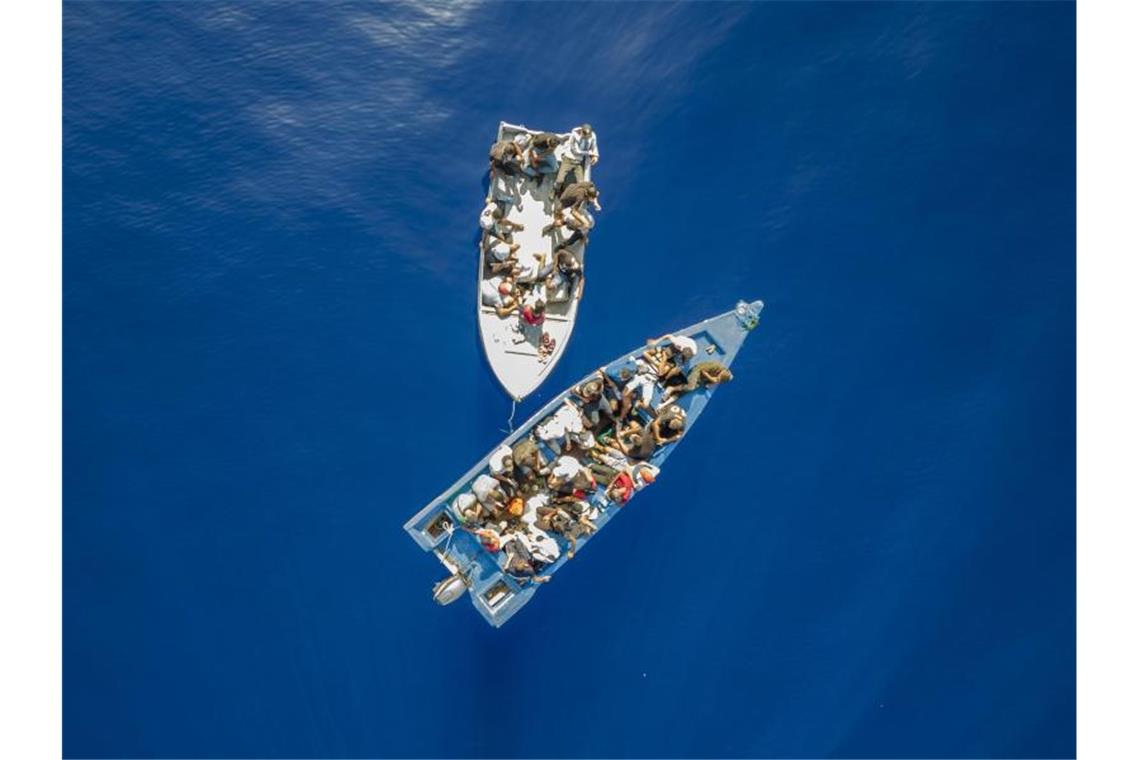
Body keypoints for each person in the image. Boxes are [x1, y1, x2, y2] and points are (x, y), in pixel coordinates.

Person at [661, 360, 733, 404]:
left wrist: (712, 383)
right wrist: (711, 378)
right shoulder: (716, 365)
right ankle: (671, 388)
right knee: (690, 387)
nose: (719, 378)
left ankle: (665, 403)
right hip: (697, 371)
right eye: (721, 377)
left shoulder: (718, 379)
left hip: (700, 380)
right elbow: (702, 370)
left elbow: (706, 385)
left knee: (684, 393)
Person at [554, 123, 599, 191]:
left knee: (581, 184)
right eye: (585, 135)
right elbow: (576, 151)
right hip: (568, 160)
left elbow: (594, 147)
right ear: (581, 132)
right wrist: (588, 153)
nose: (587, 137)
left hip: (578, 163)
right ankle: (556, 190)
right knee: (559, 180)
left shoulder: (592, 136)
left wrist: (595, 155)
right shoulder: (574, 135)